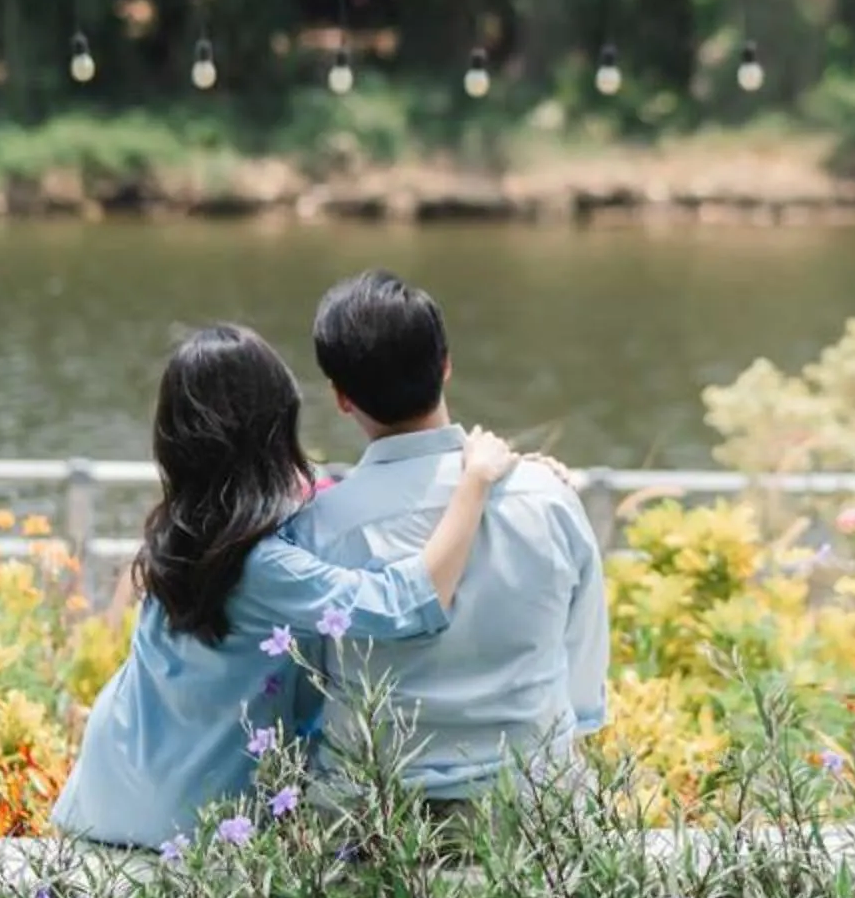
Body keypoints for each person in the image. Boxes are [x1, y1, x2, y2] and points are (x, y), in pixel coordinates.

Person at [52, 322, 519, 851]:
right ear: (275, 427)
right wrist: (475, 483)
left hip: (106, 790)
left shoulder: (181, 531)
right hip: (183, 821)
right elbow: (405, 605)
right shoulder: (263, 565)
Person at [288, 271, 609, 806]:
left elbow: (305, 687)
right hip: (535, 814)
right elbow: (583, 687)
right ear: (445, 365)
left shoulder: (319, 526)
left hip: (370, 821)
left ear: (342, 398)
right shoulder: (547, 498)